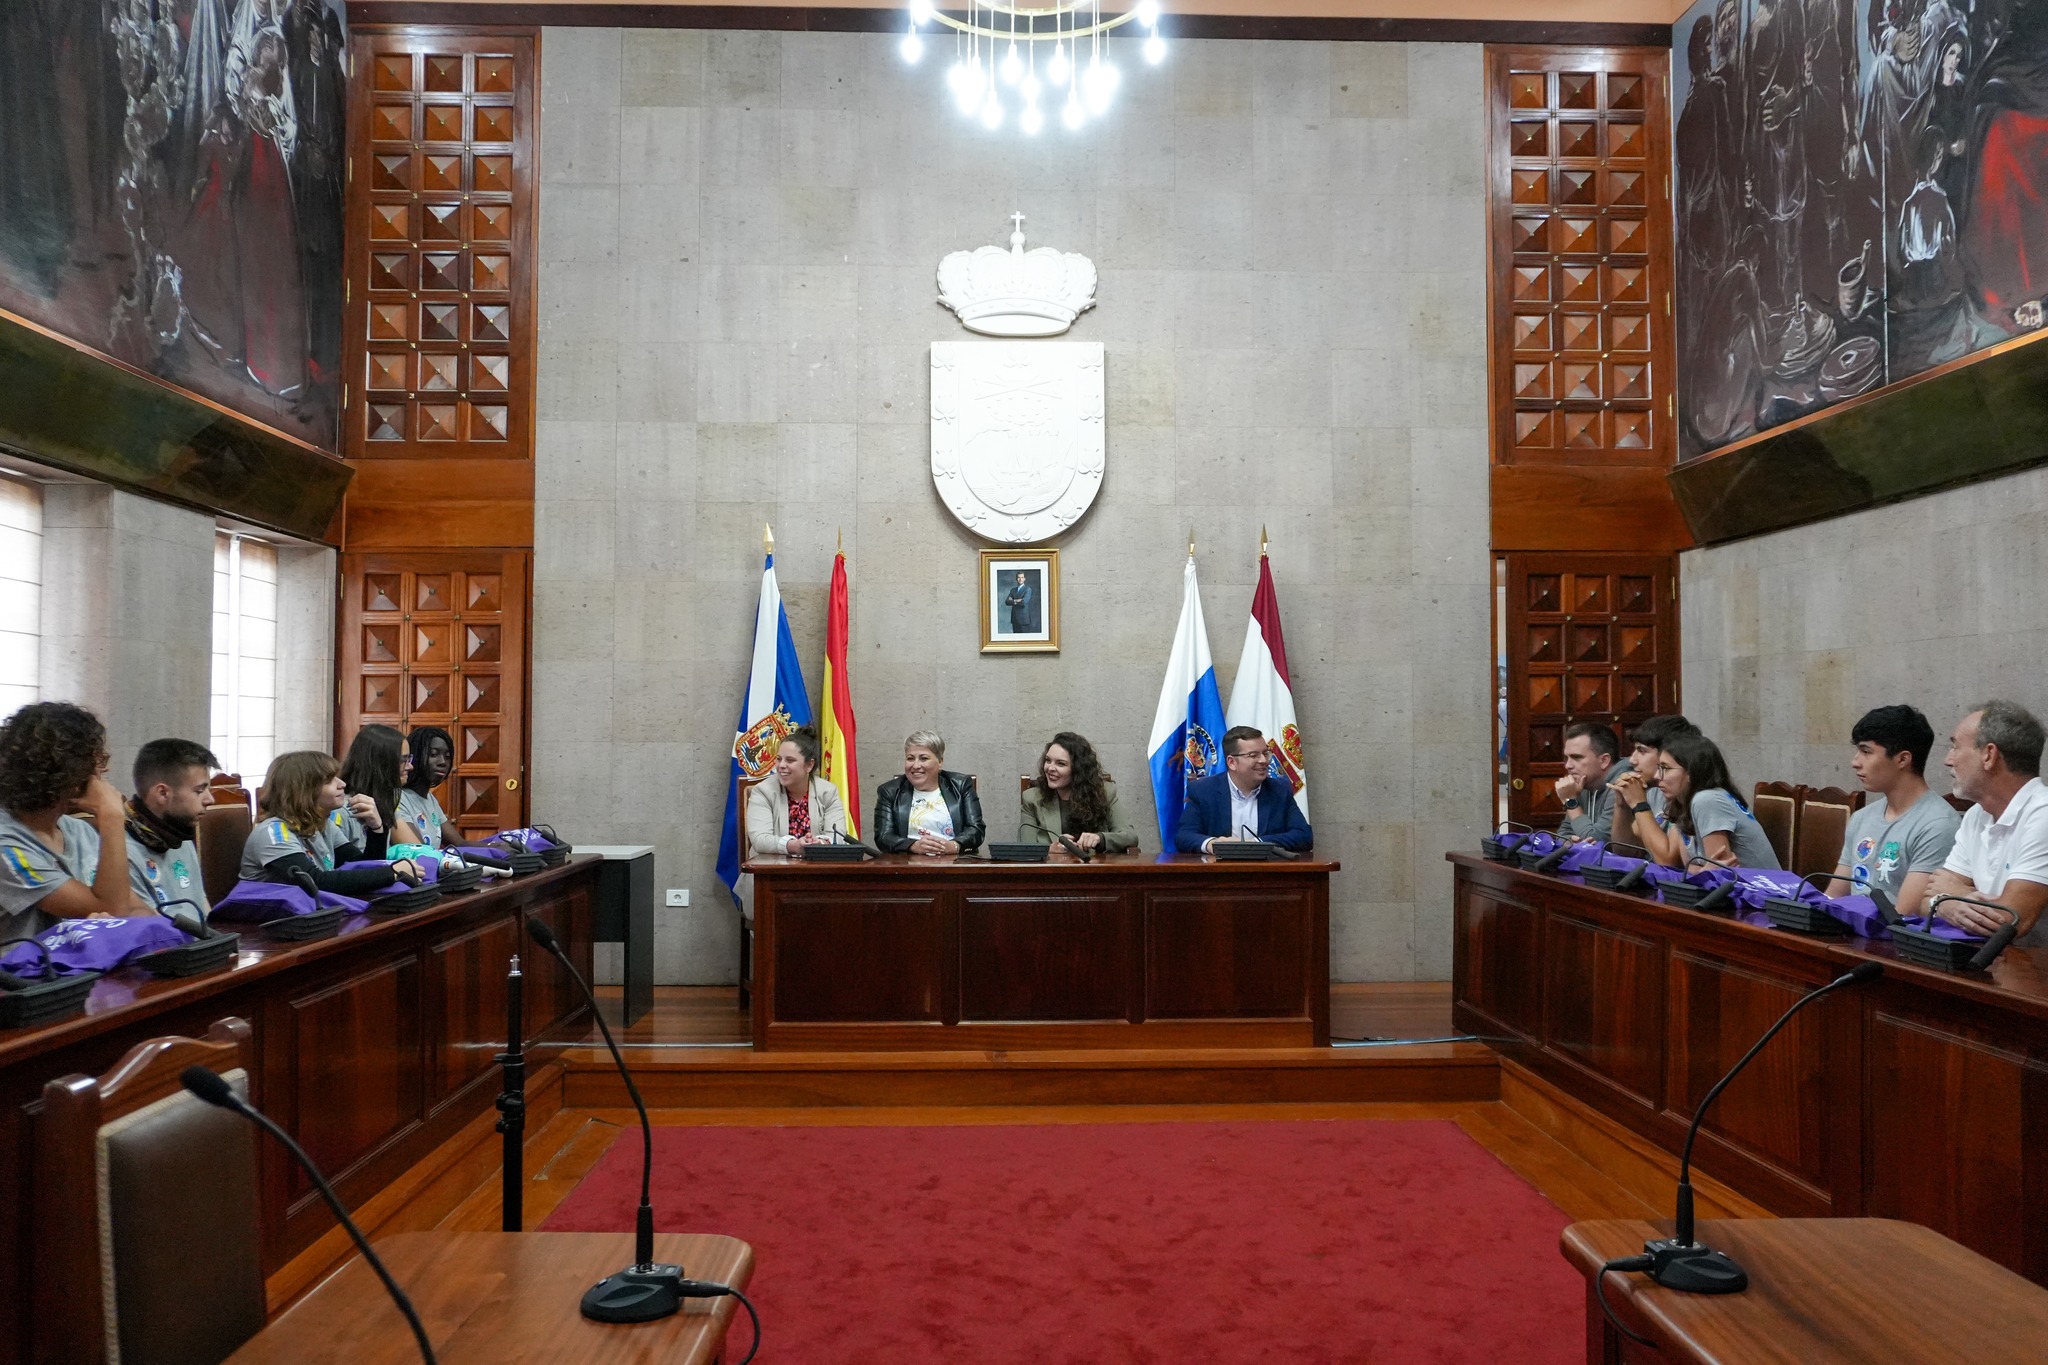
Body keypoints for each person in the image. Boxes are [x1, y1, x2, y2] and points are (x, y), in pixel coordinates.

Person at [0, 702, 149, 938]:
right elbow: (116, 909)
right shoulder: (6, 845)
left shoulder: (78, 830)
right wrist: (111, 817)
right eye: (95, 764)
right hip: (26, 971)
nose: (101, 775)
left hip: (82, 968)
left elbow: (139, 910)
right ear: (66, 772)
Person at [1927, 702, 2048, 947]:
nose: (1948, 760)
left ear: (1989, 755)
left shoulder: (2043, 815)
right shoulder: (1976, 815)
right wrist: (1945, 898)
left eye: (1955, 746)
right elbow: (1927, 897)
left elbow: (2010, 922)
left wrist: (1956, 894)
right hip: (1993, 962)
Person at [1824, 705, 1960, 916]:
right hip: (1852, 935)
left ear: (1902, 759)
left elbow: (1904, 916)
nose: (1855, 762)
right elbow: (1833, 897)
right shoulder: (1862, 818)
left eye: (1866, 751)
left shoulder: (1938, 825)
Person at [242, 751, 421, 894]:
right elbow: (315, 882)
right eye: (329, 780)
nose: (342, 784)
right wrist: (392, 872)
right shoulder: (274, 832)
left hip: (309, 918)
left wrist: (377, 829)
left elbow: (361, 864)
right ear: (302, 790)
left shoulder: (322, 825)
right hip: (267, 928)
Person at [1632, 732, 1780, 870]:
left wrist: (1703, 871)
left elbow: (1721, 872)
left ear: (1691, 772)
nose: (1657, 776)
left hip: (1761, 893)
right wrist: (1702, 871)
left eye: (1666, 768)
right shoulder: (1682, 802)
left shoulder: (1707, 800)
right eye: (1659, 768)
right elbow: (1689, 867)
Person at [1175, 726, 1313, 854]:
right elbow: (1183, 836)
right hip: (1218, 874)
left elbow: (1304, 836)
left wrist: (1255, 844)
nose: (1264, 760)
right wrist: (1213, 844)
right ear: (1232, 762)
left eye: (1265, 753)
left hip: (1267, 874)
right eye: (1253, 755)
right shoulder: (1203, 790)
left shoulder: (1279, 790)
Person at [125, 738, 220, 916]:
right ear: (163, 793)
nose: (210, 800)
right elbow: (152, 931)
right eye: (199, 791)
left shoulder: (179, 835)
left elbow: (203, 911)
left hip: (199, 942)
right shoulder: (123, 852)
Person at [1020, 732, 1138, 853]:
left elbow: (1129, 836)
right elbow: (1025, 848)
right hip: (1051, 869)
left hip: (1095, 868)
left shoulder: (1105, 793)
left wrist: (1100, 838)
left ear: (1078, 770)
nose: (1050, 768)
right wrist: (1049, 849)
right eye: (1048, 760)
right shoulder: (1032, 798)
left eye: (1060, 764)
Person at [872, 731, 985, 856]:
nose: (915, 765)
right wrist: (912, 845)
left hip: (955, 862)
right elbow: (883, 836)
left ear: (940, 761)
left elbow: (976, 829)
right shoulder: (889, 791)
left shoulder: (961, 785)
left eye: (923, 758)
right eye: (910, 758)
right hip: (907, 864)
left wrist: (954, 845)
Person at [1607, 714, 1700, 858]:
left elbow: (1668, 861)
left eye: (1642, 751)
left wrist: (1639, 804)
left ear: (1669, 753)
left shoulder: (1693, 796)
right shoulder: (1654, 793)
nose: (1632, 760)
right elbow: (1627, 851)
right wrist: (1622, 806)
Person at [746, 726, 847, 855]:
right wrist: (793, 846)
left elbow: (838, 837)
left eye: (790, 760)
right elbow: (760, 840)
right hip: (770, 871)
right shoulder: (763, 791)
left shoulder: (828, 792)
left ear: (809, 765)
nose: (781, 765)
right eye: (778, 759)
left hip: (816, 871)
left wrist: (819, 844)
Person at [336, 724, 423, 851]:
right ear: (381, 763)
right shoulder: (342, 809)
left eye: (409, 759)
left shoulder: (383, 801)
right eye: (403, 760)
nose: (410, 767)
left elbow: (417, 850)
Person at [1555, 722, 1624, 838]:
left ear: (1604, 761)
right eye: (1566, 758)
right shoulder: (1584, 783)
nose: (1568, 765)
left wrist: (1571, 801)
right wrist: (1572, 844)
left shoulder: (1621, 785)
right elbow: (1563, 833)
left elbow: (1599, 840)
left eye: (1577, 757)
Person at [398, 725, 454, 848]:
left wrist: (496, 846)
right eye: (433, 755)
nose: (442, 762)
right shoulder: (398, 798)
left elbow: (459, 843)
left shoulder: (430, 798)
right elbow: (420, 850)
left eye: (447, 756)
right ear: (414, 757)